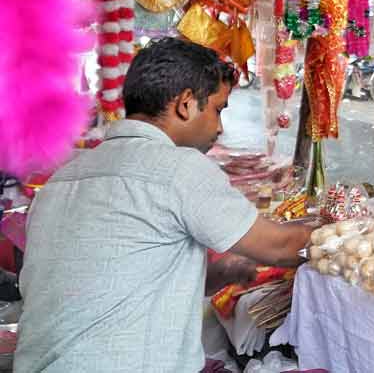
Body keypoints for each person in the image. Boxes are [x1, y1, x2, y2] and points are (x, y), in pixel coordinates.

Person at [15, 38, 314, 373]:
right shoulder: (179, 168)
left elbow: (115, 281)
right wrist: (349, 232)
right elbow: (281, 247)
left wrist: (222, 272)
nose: (219, 127)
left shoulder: (61, 182)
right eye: (217, 109)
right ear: (185, 104)